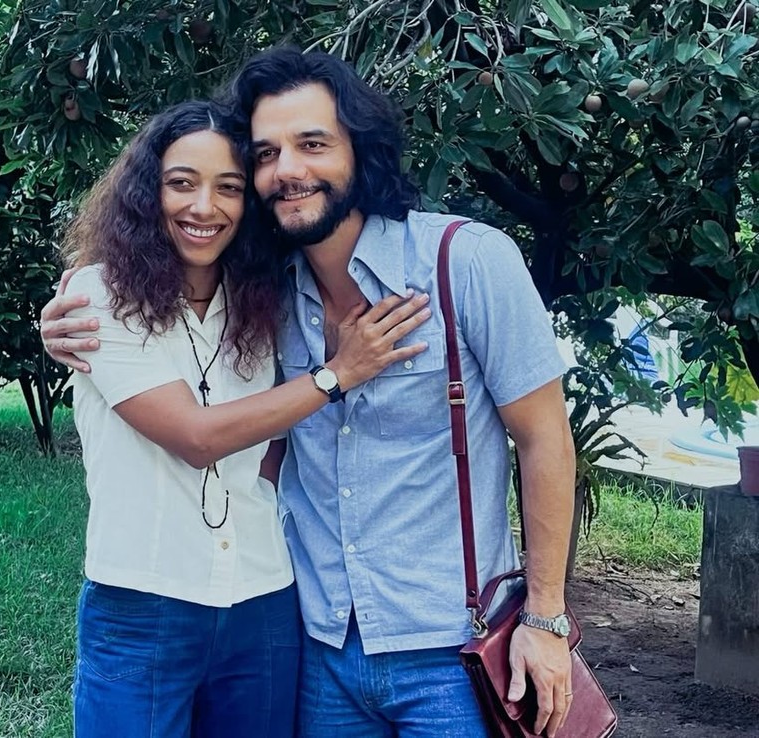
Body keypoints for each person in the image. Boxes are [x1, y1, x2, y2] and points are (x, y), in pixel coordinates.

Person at [44, 50, 577, 738]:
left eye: (313, 144)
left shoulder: (463, 262)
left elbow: (543, 438)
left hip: (449, 648)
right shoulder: (273, 293)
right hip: (321, 647)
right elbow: (233, 439)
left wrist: (545, 617)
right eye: (267, 154)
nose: (288, 170)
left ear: (362, 148)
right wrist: (60, 320)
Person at [58, 99, 431, 738]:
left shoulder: (264, 297)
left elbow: (274, 450)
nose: (204, 208)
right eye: (181, 183)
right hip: (143, 602)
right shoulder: (99, 297)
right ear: (148, 193)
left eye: (229, 188)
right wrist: (338, 374)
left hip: (262, 600)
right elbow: (196, 438)